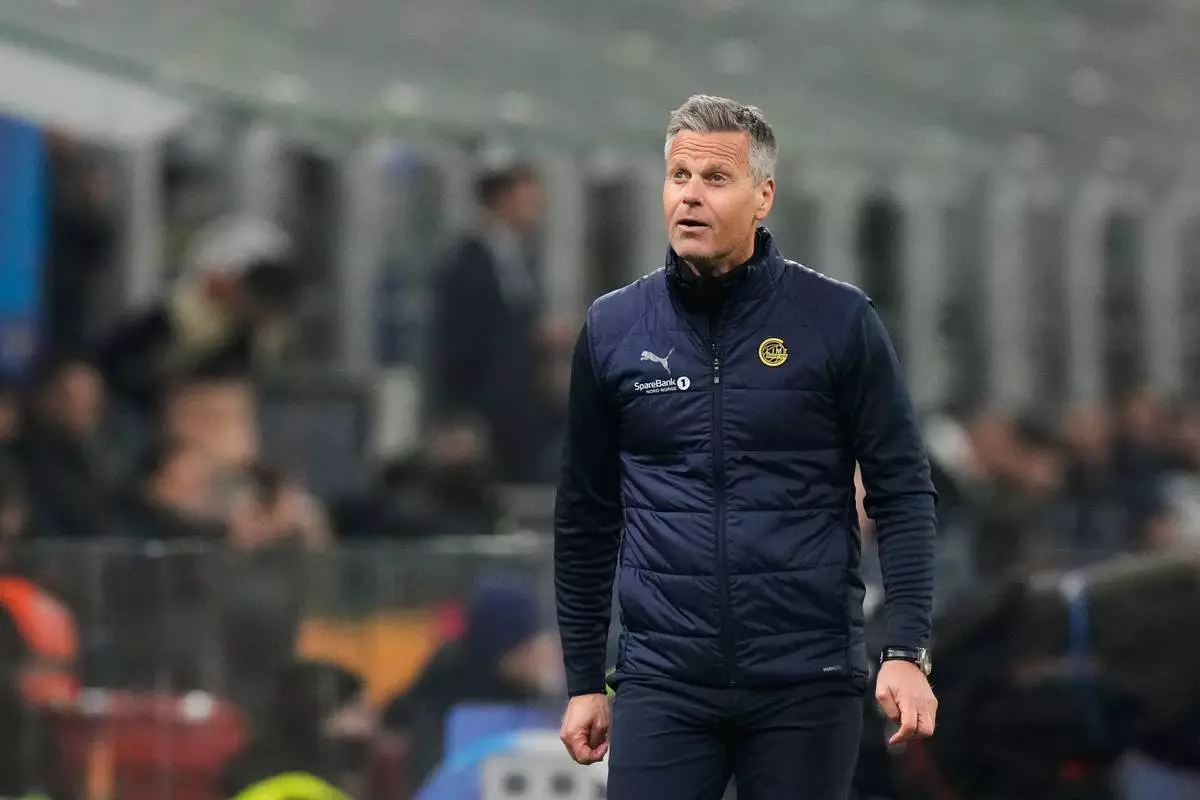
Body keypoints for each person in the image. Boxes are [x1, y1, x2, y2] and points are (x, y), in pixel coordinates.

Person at [554, 95, 939, 799]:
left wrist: (906, 649)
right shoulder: (614, 328)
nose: (690, 196)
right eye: (678, 176)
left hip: (807, 681)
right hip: (663, 681)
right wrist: (583, 678)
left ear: (763, 196)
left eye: (715, 179)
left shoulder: (838, 320)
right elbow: (585, 513)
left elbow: (903, 493)